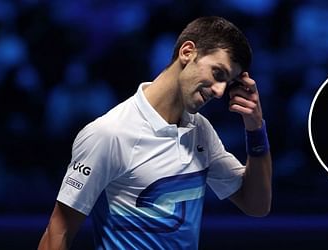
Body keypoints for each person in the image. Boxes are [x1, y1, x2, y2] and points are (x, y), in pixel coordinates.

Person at [38, 16, 272, 249]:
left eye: (228, 82)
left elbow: (256, 205)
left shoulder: (201, 131)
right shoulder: (109, 133)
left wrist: (255, 128)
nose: (220, 91)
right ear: (187, 52)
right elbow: (58, 232)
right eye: (218, 73)